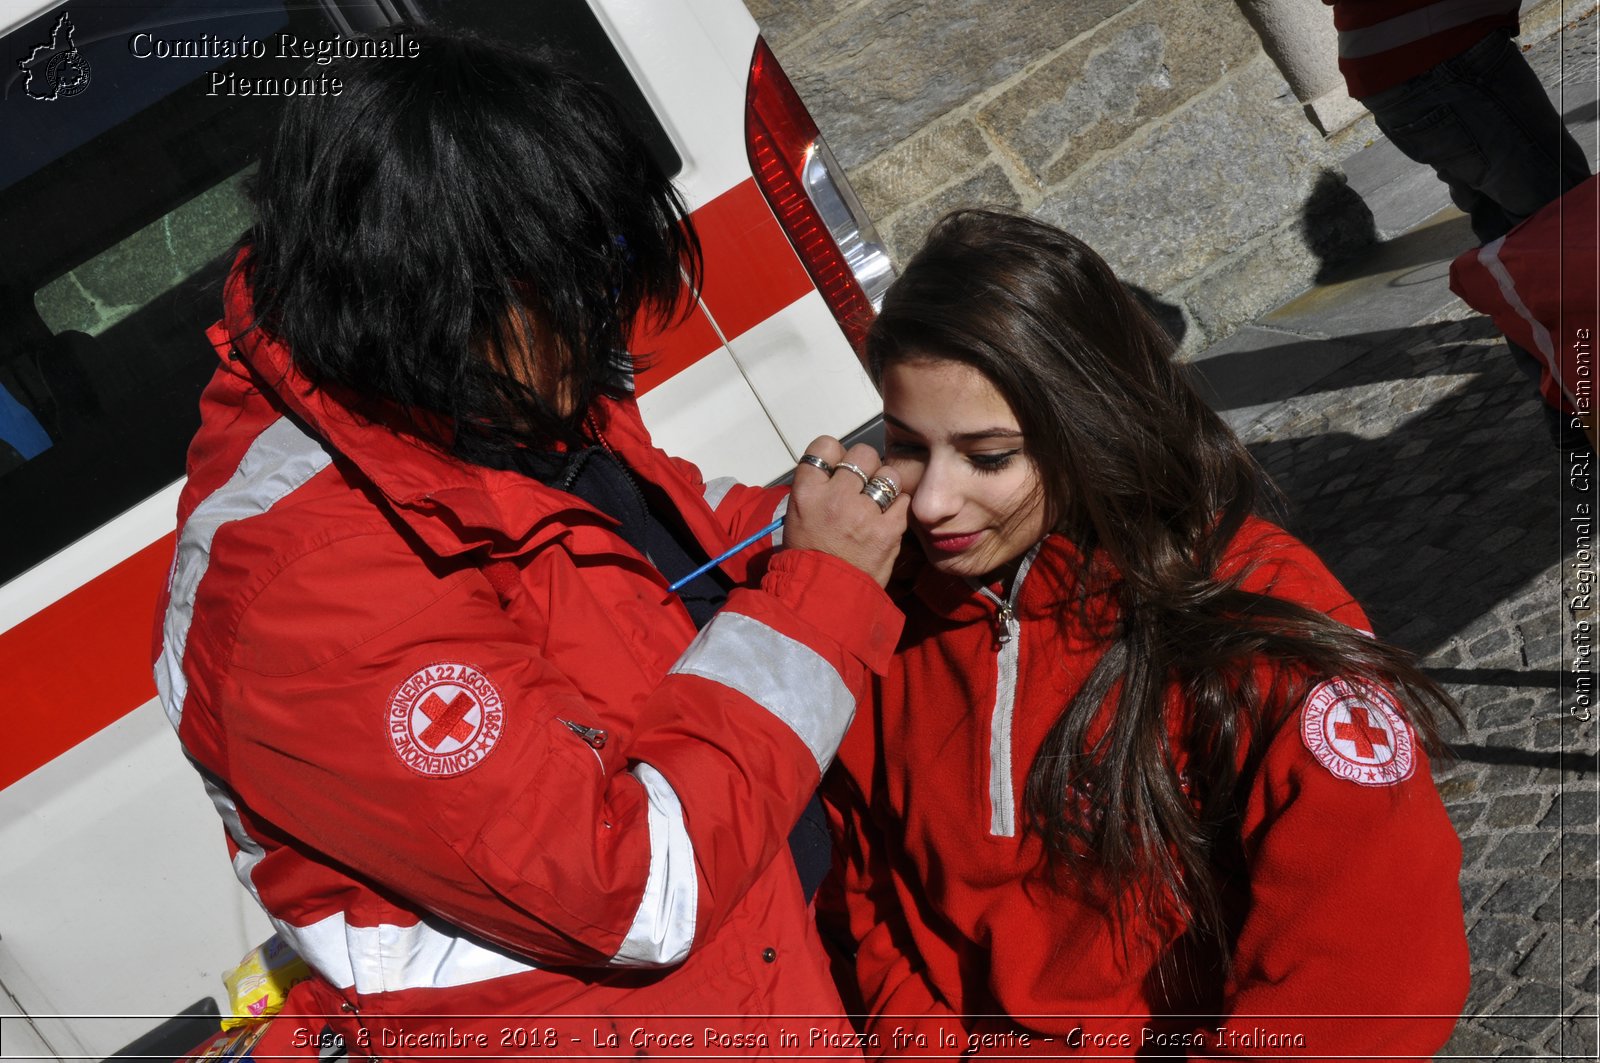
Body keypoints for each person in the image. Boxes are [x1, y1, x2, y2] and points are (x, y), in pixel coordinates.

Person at [151, 28, 909, 1057]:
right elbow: (629, 885)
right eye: (576, 289)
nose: (601, 324)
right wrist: (819, 589)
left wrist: (842, 516)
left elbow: (645, 553)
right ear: (435, 293)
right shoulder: (306, 588)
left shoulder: (475, 393)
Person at [821, 210, 1471, 1059]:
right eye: (907, 445)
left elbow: (1373, 964)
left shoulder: (1251, 609)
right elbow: (873, 894)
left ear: (1085, 427)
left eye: (988, 457)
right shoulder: (889, 617)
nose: (934, 500)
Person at [1324, 0, 1591, 441]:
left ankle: (1570, 412)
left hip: (1398, 63)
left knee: (1512, 250)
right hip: (1443, 56)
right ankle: (1583, 408)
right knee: (1564, 234)